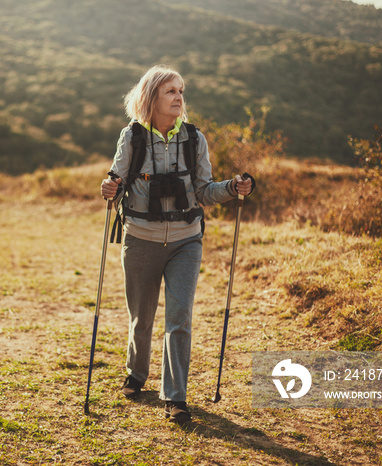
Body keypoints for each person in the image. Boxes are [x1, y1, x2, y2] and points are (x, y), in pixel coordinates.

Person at [100, 65, 253, 424]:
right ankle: (137, 374)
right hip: (140, 239)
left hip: (186, 241)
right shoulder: (132, 137)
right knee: (142, 317)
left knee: (179, 318)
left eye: (181, 91)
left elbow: (203, 191)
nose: (179, 97)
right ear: (151, 97)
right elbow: (116, 180)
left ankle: (175, 396)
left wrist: (232, 187)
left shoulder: (194, 139)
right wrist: (109, 189)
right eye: (170, 91)